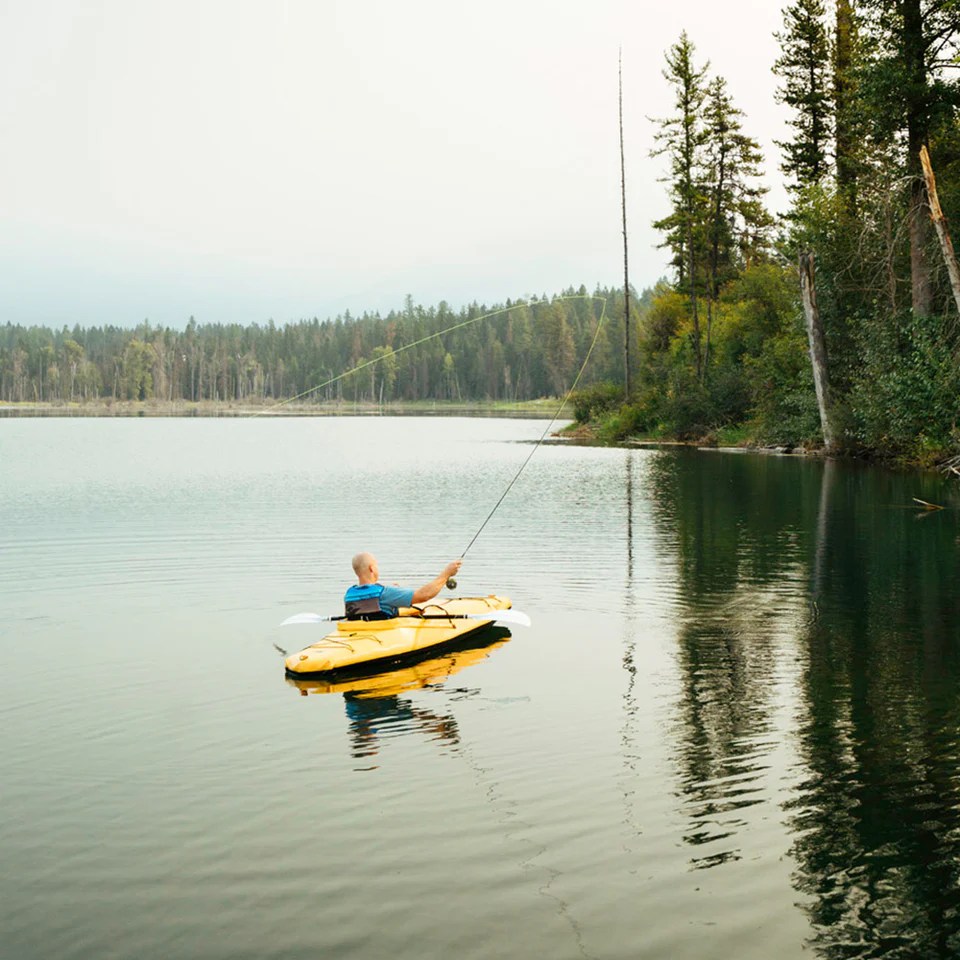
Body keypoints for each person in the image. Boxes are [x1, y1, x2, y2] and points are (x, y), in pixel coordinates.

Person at [344, 552, 462, 619]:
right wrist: (446, 573)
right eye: (376, 565)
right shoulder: (386, 593)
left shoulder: (349, 595)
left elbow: (372, 599)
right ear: (371, 568)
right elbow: (424, 596)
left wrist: (393, 593)